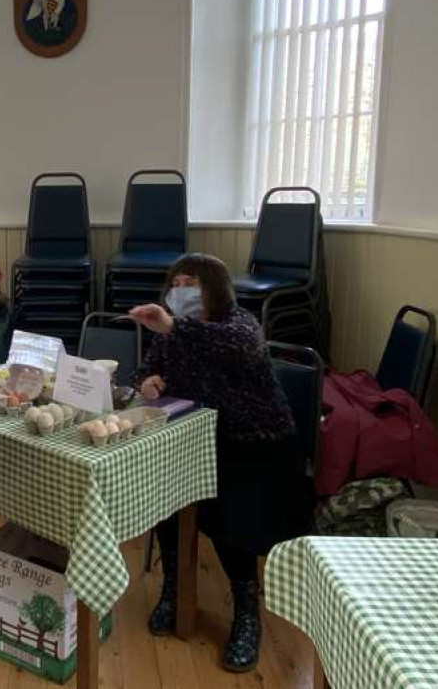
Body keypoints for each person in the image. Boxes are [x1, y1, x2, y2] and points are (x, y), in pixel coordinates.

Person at [128, 253, 308, 674]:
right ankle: (174, 589)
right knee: (165, 501)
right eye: (177, 282)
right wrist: (146, 381)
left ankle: (247, 611)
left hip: (253, 445)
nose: (182, 290)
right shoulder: (169, 332)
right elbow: (146, 368)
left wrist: (174, 326)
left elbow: (238, 348)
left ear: (215, 288)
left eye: (192, 282)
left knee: (228, 515)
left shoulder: (239, 324)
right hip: (195, 442)